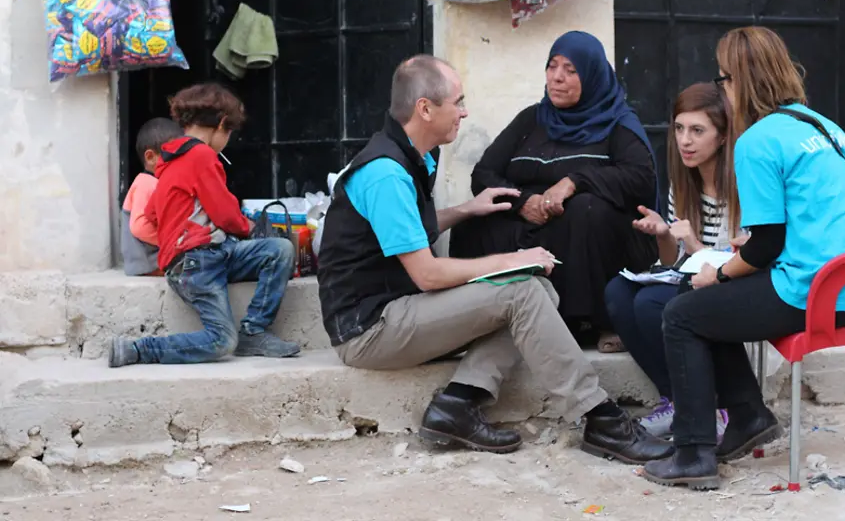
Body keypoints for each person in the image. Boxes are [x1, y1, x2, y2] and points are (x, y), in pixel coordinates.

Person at [317, 54, 670, 463]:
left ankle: (459, 401)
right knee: (522, 291)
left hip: (395, 309)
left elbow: (403, 231)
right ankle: (600, 417)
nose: (464, 112)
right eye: (458, 102)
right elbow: (428, 274)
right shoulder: (386, 173)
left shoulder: (411, 156)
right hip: (368, 329)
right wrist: (512, 261)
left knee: (539, 290)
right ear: (425, 109)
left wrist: (467, 210)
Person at [640, 27, 845, 490]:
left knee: (683, 313)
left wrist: (719, 273)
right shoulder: (822, 126)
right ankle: (749, 416)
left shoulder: (756, 141)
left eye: (724, 78)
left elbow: (766, 246)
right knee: (708, 305)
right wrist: (738, 264)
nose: (722, 89)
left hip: (814, 290)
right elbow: (836, 215)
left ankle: (693, 452)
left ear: (740, 82)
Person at [449, 31, 659, 353]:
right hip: (532, 223)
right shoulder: (532, 119)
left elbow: (640, 177)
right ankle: (480, 318)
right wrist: (522, 202)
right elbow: (484, 174)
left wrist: (574, 181)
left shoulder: (617, 123)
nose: (557, 77)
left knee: (587, 210)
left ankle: (592, 319)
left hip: (584, 228)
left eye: (571, 70)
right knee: (472, 221)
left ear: (592, 76)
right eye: (552, 66)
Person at [109, 83, 301, 367]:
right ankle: (138, 349)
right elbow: (226, 215)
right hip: (196, 264)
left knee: (279, 250)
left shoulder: (168, 161)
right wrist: (250, 228)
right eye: (229, 132)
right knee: (221, 340)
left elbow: (151, 213)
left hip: (209, 255)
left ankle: (253, 333)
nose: (227, 140)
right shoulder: (201, 155)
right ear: (222, 124)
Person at [604, 82, 741, 438]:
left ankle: (714, 405)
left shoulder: (743, 184)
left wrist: (694, 244)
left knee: (651, 303)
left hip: (733, 282)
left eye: (697, 131)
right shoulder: (682, 183)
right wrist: (663, 234)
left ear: (722, 137)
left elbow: (741, 257)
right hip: (692, 278)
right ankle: (677, 400)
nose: (685, 141)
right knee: (618, 293)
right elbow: (673, 261)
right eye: (679, 129)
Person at [121, 117, 183, 277]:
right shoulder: (146, 183)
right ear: (150, 157)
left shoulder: (154, 182)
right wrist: (170, 242)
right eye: (173, 158)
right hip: (146, 262)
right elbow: (139, 227)